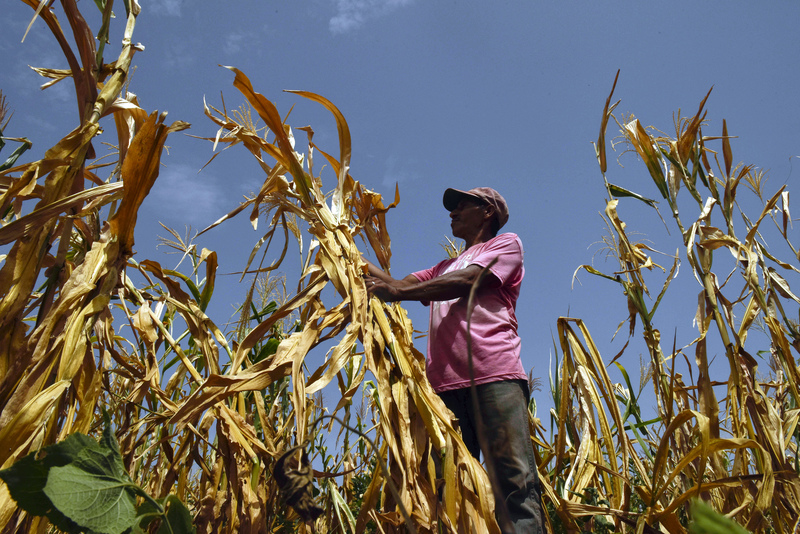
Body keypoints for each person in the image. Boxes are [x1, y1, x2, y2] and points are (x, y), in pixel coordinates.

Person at [364, 187, 546, 534]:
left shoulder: (505, 245)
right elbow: (397, 284)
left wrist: (399, 293)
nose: (453, 212)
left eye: (462, 205)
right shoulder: (443, 267)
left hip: (494, 379)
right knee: (445, 488)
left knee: (513, 485)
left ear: (487, 212)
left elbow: (469, 280)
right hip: (443, 392)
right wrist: (347, 253)